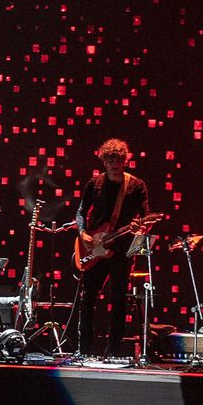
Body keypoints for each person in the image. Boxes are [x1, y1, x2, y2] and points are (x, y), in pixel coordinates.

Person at [73, 138, 150, 360]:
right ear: (103, 162)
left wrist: (140, 225)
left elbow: (146, 216)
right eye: (110, 161)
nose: (114, 165)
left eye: (118, 161)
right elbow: (80, 212)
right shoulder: (94, 183)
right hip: (94, 248)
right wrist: (83, 233)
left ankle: (113, 350)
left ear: (125, 161)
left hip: (122, 251)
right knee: (88, 299)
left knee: (117, 300)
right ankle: (84, 349)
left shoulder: (136, 185)